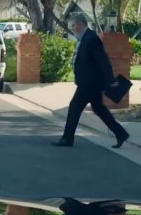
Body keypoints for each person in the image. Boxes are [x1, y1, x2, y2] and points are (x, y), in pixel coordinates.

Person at [52, 13, 130, 148]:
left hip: (89, 84)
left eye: (74, 25)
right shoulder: (85, 39)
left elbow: (103, 61)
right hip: (89, 83)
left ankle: (67, 139)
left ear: (81, 24)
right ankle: (120, 133)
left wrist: (110, 80)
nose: (73, 28)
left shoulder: (91, 39)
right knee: (99, 108)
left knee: (74, 107)